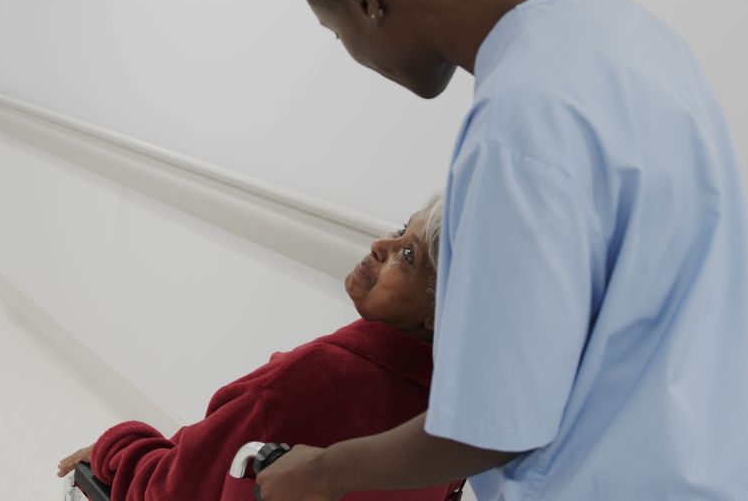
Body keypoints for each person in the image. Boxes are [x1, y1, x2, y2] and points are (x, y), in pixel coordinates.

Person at [254, 0, 748, 499]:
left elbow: (490, 425)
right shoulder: (627, 30)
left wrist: (321, 471)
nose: (355, 56)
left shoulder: (515, 129)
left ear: (365, 0)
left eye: (338, 35)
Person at [57, 197, 466, 500]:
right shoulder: (458, 418)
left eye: (408, 255)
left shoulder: (313, 381)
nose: (381, 245)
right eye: (398, 232)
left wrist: (116, 446)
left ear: (439, 309)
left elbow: (171, 489)